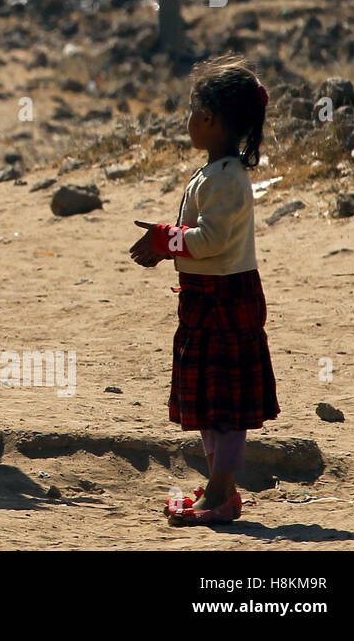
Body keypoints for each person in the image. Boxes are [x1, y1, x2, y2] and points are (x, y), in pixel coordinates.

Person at [129, 54, 280, 525]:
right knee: (211, 400)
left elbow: (210, 240)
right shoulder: (214, 173)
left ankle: (218, 492)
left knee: (226, 405)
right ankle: (223, 489)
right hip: (204, 301)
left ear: (210, 120)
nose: (188, 119)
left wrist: (163, 239)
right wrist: (166, 243)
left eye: (193, 110)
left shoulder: (228, 180)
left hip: (225, 303)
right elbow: (201, 238)